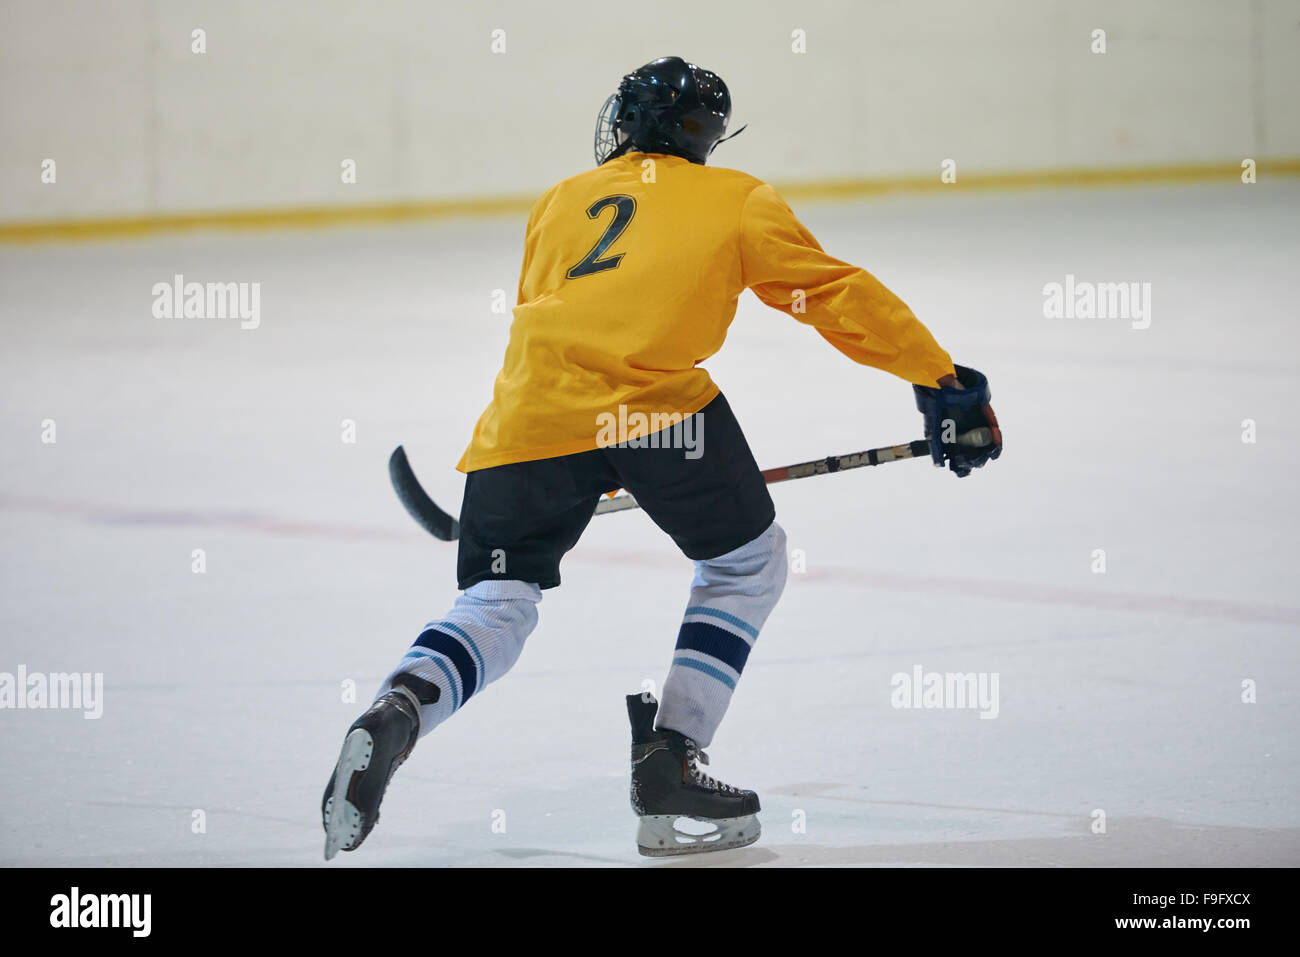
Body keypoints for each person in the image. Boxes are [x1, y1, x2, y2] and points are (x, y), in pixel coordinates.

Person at [322, 55, 1001, 860]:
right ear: (705, 136)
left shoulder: (560, 199)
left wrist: (539, 468)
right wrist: (942, 381)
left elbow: (550, 316)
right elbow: (831, 293)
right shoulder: (736, 196)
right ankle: (670, 757)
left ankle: (399, 707)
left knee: (496, 600)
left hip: (524, 421)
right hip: (660, 420)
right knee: (747, 564)